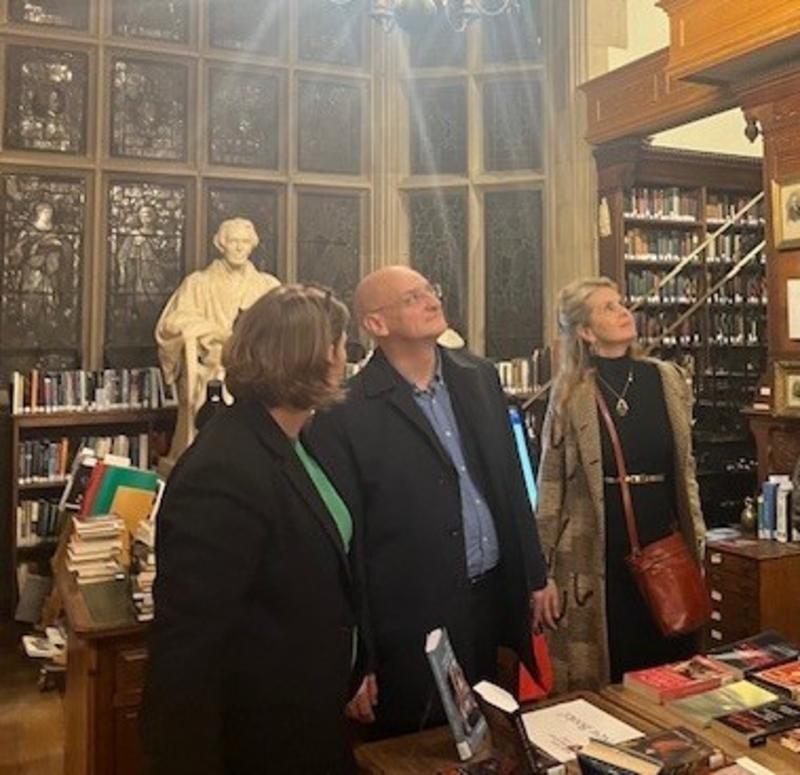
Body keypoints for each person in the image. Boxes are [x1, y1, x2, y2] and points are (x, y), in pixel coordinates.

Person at [307, 265, 559, 734]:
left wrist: (536, 574)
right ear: (376, 324)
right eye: (411, 297)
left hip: (488, 600)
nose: (430, 300)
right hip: (409, 618)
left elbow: (507, 485)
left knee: (494, 741)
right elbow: (348, 543)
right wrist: (357, 658)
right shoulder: (345, 411)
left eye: (430, 290)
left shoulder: (479, 376)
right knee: (421, 748)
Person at [143, 285, 358, 775]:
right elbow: (188, 647)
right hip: (260, 733)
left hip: (311, 710)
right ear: (314, 356)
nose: (346, 358)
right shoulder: (225, 467)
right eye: (341, 345)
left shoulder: (301, 439)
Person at [536, 276, 706, 692]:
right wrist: (540, 575)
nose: (623, 312)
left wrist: (696, 538)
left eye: (621, 303)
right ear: (586, 331)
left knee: (671, 666)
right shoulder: (571, 393)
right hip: (595, 554)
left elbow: (685, 470)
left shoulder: (667, 380)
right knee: (608, 670)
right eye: (607, 308)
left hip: (664, 547)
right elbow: (551, 485)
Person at [155, 217, 280, 463]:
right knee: (210, 388)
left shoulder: (267, 286)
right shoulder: (198, 283)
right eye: (233, 241)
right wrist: (215, 333)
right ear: (221, 244)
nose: (239, 247)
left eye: (244, 242)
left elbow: (282, 327)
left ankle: (257, 456)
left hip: (257, 365)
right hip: (211, 365)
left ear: (252, 245)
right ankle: (206, 458)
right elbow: (171, 323)